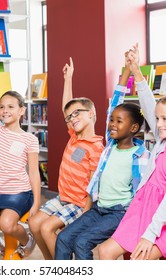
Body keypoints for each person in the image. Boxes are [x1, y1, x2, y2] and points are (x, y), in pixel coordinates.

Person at [99, 44, 166, 260]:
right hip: (142, 208)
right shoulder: (162, 140)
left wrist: (149, 236)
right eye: (158, 119)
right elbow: (148, 104)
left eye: (165, 119)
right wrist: (136, 70)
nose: (159, 123)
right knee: (105, 251)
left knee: (140, 260)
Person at [55, 52, 150, 260]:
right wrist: (126, 69)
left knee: (82, 243)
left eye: (119, 121)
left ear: (134, 128)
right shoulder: (109, 146)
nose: (112, 124)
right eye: (112, 120)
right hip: (99, 209)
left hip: (119, 213)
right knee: (63, 238)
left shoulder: (142, 155)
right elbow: (116, 99)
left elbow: (143, 194)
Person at [28, 57, 104, 260]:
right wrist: (67, 79)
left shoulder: (95, 146)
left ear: (91, 113)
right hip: (63, 198)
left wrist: (87, 214)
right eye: (69, 117)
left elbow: (93, 185)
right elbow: (66, 107)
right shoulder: (74, 137)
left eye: (77, 113)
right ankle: (53, 263)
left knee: (46, 228)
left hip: (79, 204)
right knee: (34, 223)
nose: (72, 118)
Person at [0, 50, 41, 258]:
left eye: (10, 107)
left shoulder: (29, 139)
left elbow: (33, 173)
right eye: (2, 106)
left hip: (20, 193)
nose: (4, 110)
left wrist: (37, 203)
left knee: (6, 223)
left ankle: (28, 240)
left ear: (21, 111)